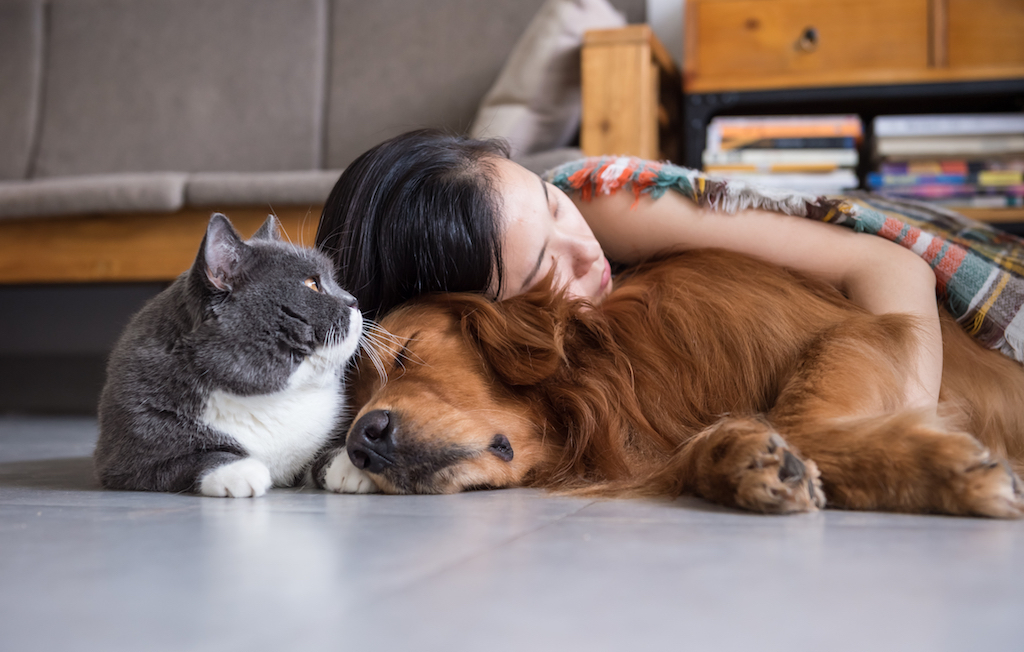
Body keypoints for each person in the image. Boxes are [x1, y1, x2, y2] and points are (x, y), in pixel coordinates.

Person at [316, 129, 942, 411]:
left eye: (551, 206)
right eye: (541, 271)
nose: (584, 251)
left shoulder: (608, 204)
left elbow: (887, 261)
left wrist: (907, 419)